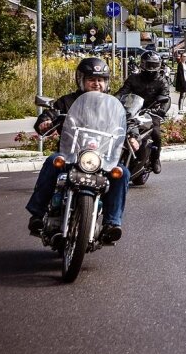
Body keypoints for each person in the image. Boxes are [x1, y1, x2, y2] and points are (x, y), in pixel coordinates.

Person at [26, 57, 130, 243]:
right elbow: (49, 114)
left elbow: (126, 122)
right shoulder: (67, 102)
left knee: (122, 173)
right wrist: (45, 122)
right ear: (81, 80)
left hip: (102, 159)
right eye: (91, 79)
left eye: (100, 80)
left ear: (106, 82)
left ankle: (111, 224)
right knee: (52, 161)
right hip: (71, 156)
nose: (96, 83)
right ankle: (37, 214)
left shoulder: (113, 105)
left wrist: (134, 135)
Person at [116, 51, 171, 174]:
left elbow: (166, 97)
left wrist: (161, 110)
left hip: (152, 111)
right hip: (133, 109)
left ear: (159, 65)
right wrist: (113, 100)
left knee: (156, 133)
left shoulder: (162, 81)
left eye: (154, 65)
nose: (151, 68)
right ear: (142, 64)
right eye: (148, 64)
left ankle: (155, 158)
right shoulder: (133, 78)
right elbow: (123, 91)